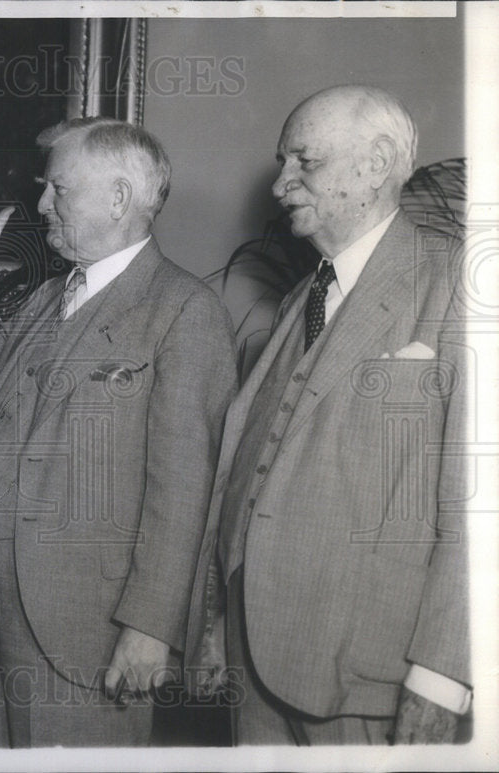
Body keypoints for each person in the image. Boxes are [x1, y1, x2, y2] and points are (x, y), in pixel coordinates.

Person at [0, 117, 237, 746]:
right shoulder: (47, 296)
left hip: (82, 616)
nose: (40, 204)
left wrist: (150, 627)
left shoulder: (184, 311)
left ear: (119, 197)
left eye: (57, 189)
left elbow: (184, 492)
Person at [185, 85, 471, 744]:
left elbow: (477, 510)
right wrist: (213, 620)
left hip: (371, 678)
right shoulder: (299, 302)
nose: (282, 184)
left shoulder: (457, 288)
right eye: (282, 163)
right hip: (255, 661)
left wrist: (440, 678)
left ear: (374, 165)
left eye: (302, 162)